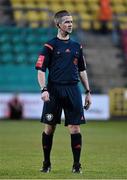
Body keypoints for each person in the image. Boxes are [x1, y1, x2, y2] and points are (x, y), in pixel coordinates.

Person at [35, 10, 92, 173]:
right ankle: (46, 163)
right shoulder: (49, 46)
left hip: (73, 90)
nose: (70, 24)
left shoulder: (77, 46)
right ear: (58, 24)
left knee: (75, 128)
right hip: (54, 90)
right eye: (67, 22)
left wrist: (88, 91)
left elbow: (82, 70)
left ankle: (76, 165)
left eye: (71, 22)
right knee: (49, 128)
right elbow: (40, 70)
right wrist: (43, 89)